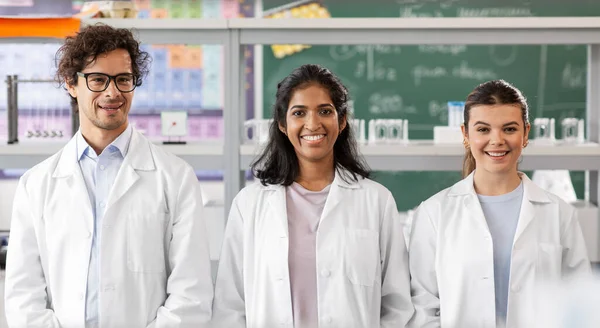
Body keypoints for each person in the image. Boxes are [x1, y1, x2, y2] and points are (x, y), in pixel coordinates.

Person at [4, 24, 213, 328]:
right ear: (71, 84)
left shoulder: (176, 178)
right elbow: (23, 297)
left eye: (123, 79)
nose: (112, 92)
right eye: (98, 79)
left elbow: (191, 295)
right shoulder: (36, 185)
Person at [212, 64, 414, 327]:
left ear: (341, 122)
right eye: (299, 113)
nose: (312, 123)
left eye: (325, 111)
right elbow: (230, 306)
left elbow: (397, 306)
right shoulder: (249, 204)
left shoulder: (376, 201)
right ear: (283, 125)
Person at [408, 79, 591, 328]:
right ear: (465, 134)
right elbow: (423, 309)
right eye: (483, 129)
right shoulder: (434, 213)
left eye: (509, 129)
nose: (497, 140)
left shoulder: (559, 214)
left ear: (526, 134)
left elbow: (577, 305)